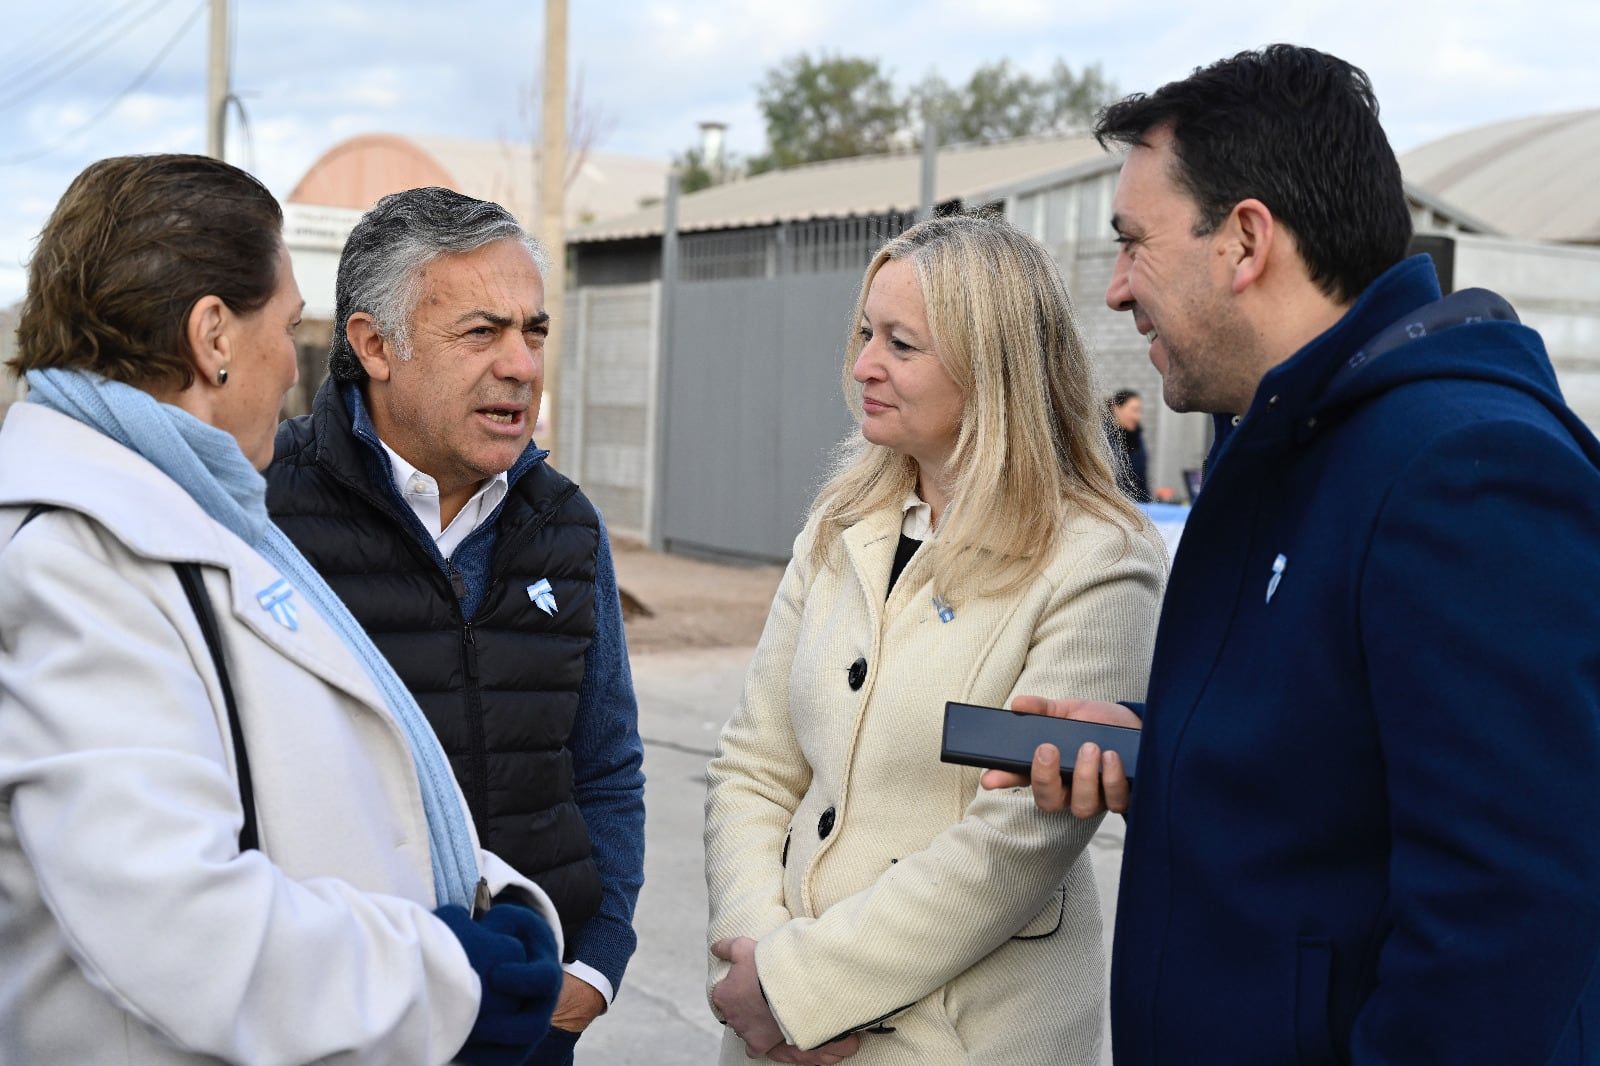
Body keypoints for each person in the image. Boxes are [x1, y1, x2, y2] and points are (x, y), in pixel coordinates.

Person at [986, 45, 1600, 1064]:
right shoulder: (1292, 442)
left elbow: (1509, 915)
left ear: (1245, 240)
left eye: (1133, 243)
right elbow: (1341, 758)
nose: (1117, 290)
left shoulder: (1464, 470)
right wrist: (1163, 743)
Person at [0, 154, 565, 1064]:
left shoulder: (194, 517)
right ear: (213, 337)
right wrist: (449, 978)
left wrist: (486, 898)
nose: (290, 372)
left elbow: (304, 789)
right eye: (287, 328)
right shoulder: (71, 559)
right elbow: (175, 923)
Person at [703, 212, 1166, 1065]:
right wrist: (754, 957)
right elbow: (755, 767)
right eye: (865, 334)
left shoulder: (1098, 559)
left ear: (993, 366)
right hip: (771, 1031)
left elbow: (1017, 841)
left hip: (964, 1040)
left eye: (902, 344)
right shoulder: (839, 527)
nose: (863, 366)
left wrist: (802, 989)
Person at [266, 187, 645, 1065]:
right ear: (374, 346)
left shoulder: (566, 525)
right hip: (340, 1018)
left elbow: (606, 761)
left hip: (529, 1013)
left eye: (534, 332)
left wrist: (596, 960)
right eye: (482, 332)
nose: (520, 365)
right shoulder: (264, 509)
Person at [1105, 388, 1149, 501]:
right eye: (1134, 410)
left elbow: (1141, 481)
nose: (1137, 417)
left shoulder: (1137, 437)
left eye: (1139, 411)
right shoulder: (1102, 438)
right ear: (1116, 409)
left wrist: (1148, 505)